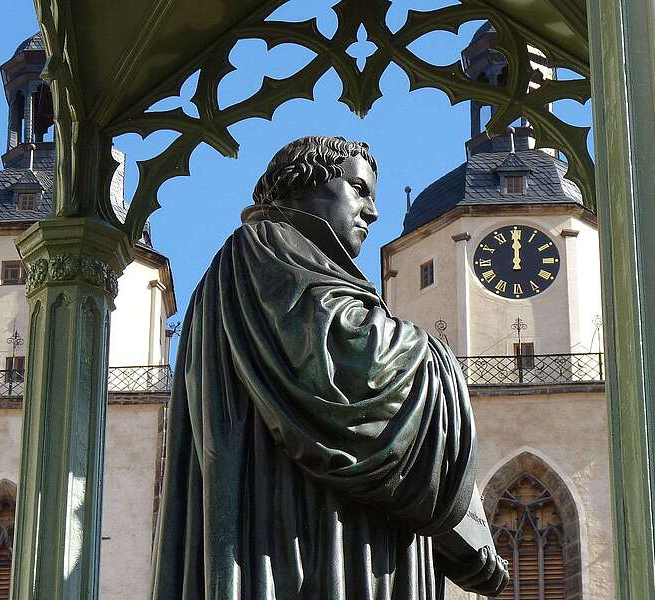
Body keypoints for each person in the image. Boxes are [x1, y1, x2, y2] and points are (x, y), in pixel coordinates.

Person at [150, 136, 509, 600]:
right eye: (358, 189)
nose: (372, 212)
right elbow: (350, 374)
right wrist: (438, 358)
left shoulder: (279, 263)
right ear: (305, 183)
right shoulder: (269, 250)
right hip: (304, 541)